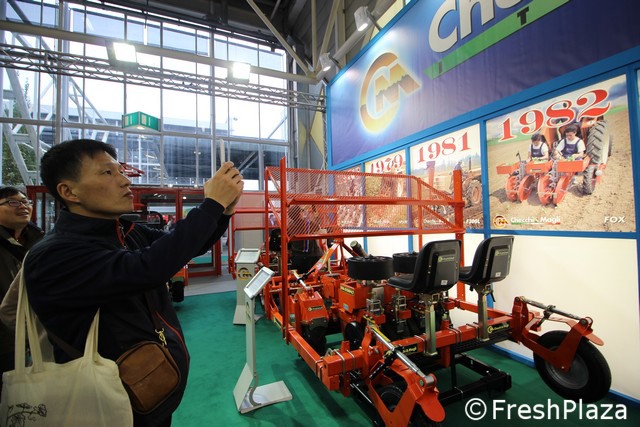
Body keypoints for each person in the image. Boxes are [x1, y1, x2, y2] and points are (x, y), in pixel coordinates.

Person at [20, 139, 243, 426]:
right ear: (69, 191)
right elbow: (148, 267)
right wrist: (211, 204)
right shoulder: (55, 254)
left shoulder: (123, 231)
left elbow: (184, 247)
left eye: (121, 171)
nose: (125, 181)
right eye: (107, 173)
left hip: (147, 390)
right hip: (104, 402)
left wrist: (223, 212)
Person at [0, 186, 45, 398]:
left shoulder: (40, 242)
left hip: (35, 338)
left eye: (26, 202)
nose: (23, 206)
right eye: (13, 202)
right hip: (5, 341)